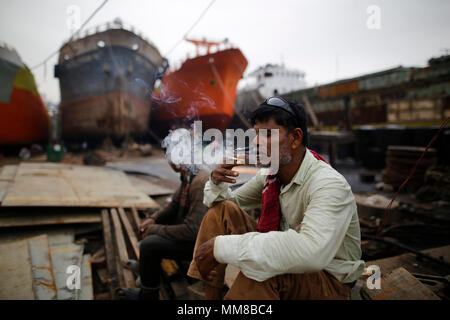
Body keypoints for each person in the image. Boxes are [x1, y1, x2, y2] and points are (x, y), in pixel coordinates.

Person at [188, 96, 365, 300]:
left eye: (267, 134)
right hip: (297, 270)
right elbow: (224, 205)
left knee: (263, 272)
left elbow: (310, 252)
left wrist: (219, 247)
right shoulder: (270, 176)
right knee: (221, 212)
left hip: (328, 282)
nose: (256, 142)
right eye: (256, 134)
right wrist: (217, 181)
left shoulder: (328, 184)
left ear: (295, 138)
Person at [123, 161, 210, 300]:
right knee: (158, 216)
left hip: (202, 244)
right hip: (194, 233)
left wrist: (155, 230)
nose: (170, 162)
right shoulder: (188, 175)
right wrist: (154, 219)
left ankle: (148, 295)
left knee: (149, 246)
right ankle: (145, 268)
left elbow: (192, 230)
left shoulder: (199, 182)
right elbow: (174, 205)